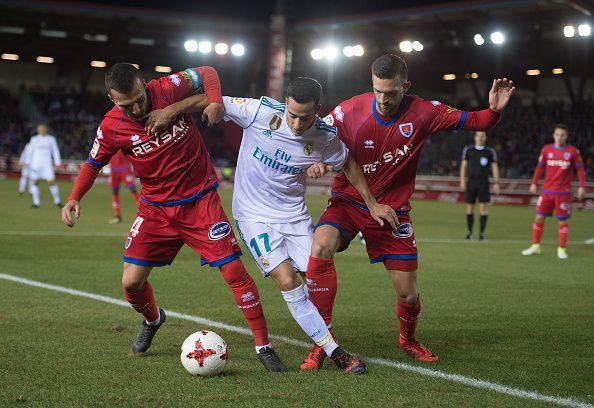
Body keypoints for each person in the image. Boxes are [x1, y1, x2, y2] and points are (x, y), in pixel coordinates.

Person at [61, 63, 284, 372]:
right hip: (154, 209)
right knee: (130, 283)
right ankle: (153, 319)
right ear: (113, 99)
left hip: (200, 201)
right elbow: (92, 162)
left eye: (139, 98)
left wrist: (204, 104)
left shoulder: (166, 88)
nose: (136, 108)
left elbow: (207, 72)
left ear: (144, 84)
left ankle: (264, 345)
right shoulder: (110, 127)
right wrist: (74, 197)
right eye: (126, 105)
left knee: (233, 270)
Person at [303, 54, 514, 367]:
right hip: (349, 202)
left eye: (391, 92)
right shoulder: (348, 111)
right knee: (320, 246)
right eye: (378, 91)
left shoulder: (425, 112)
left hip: (393, 212)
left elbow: (476, 121)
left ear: (406, 86)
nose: (384, 99)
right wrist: (317, 158)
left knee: (409, 295)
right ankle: (322, 343)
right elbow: (315, 138)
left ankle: (408, 340)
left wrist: (494, 110)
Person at [219, 77, 397, 374]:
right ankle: (335, 351)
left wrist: (371, 203)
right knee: (288, 281)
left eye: (305, 117)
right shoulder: (258, 112)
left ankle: (320, 343)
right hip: (253, 215)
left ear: (318, 110)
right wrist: (167, 111)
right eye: (292, 115)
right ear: (284, 103)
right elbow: (211, 98)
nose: (298, 124)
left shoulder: (324, 136)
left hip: (293, 215)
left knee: (316, 271)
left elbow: (348, 162)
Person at [521, 124, 585, 259]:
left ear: (566, 136)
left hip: (563, 193)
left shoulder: (573, 151)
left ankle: (561, 249)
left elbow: (580, 170)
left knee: (562, 221)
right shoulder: (546, 150)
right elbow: (539, 168)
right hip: (547, 191)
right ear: (553, 135)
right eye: (557, 134)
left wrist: (581, 187)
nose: (559, 137)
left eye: (562, 135)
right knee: (539, 217)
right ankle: (535, 246)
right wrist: (533, 183)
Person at [460, 131, 500, 240]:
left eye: (482, 136)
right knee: (469, 208)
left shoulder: (489, 151)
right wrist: (462, 180)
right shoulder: (468, 150)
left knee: (483, 208)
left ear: (485, 138)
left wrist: (497, 182)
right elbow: (464, 165)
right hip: (471, 182)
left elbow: (494, 167)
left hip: (483, 182)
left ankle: (481, 233)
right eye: (478, 135)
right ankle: (469, 232)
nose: (480, 138)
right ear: (475, 137)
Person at [26, 124, 62, 208]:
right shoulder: (34, 139)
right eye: (40, 129)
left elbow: (55, 151)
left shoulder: (51, 139)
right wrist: (28, 162)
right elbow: (29, 151)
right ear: (37, 130)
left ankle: (57, 201)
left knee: (52, 182)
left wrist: (57, 163)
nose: (41, 130)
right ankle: (36, 203)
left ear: (46, 129)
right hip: (36, 164)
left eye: (43, 129)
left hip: (47, 165)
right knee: (35, 182)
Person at [107, 150, 139, 224]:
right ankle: (117, 216)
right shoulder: (110, 141)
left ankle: (144, 211)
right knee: (115, 192)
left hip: (124, 169)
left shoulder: (125, 140)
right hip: (113, 170)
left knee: (133, 189)